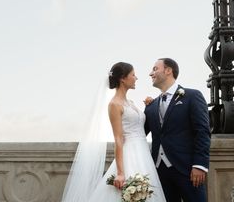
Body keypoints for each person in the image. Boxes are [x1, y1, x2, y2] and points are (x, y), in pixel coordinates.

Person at [62, 62, 166, 202]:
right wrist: (121, 173)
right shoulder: (114, 105)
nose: (136, 78)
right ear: (123, 78)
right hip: (130, 154)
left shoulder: (131, 103)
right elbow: (118, 138)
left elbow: (139, 125)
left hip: (144, 153)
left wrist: (150, 103)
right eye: (133, 75)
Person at [144, 58, 210, 202]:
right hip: (159, 171)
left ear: (168, 71)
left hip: (188, 169)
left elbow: (203, 131)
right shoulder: (151, 106)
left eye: (155, 69)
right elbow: (139, 134)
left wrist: (200, 165)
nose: (151, 73)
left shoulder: (192, 96)